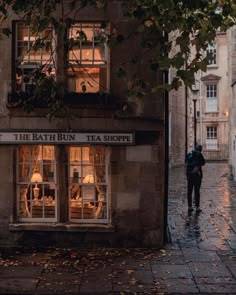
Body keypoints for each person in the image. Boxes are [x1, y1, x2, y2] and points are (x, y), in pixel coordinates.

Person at [185, 144, 205, 213]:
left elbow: (186, 162)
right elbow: (203, 163)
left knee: (189, 190)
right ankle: (197, 207)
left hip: (189, 174)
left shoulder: (189, 153)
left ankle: (190, 206)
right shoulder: (199, 154)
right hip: (197, 175)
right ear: (200, 149)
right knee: (197, 191)